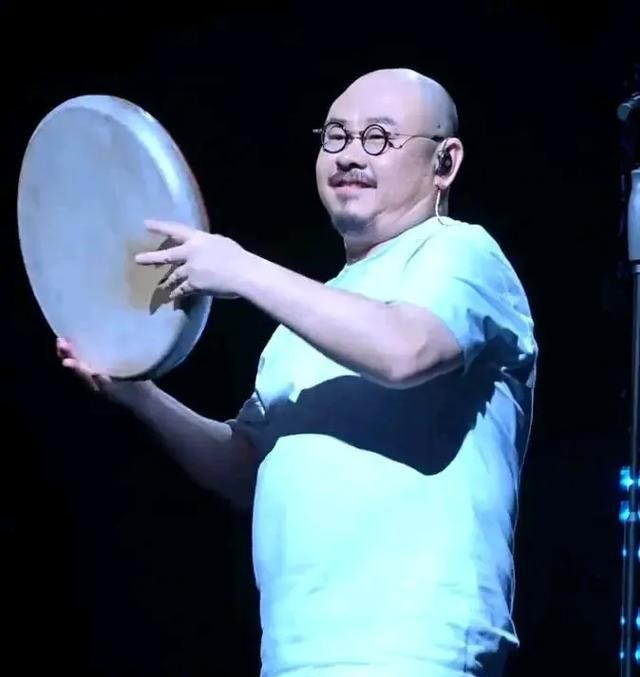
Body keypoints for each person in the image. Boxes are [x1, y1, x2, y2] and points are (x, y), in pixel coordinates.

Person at [57, 68, 538, 677]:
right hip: (295, 657)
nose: (349, 156)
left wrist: (240, 268)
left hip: (414, 649)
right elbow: (246, 467)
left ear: (444, 163)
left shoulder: (460, 251)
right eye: (335, 136)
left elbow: (405, 351)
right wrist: (138, 394)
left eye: (378, 138)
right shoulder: (301, 325)